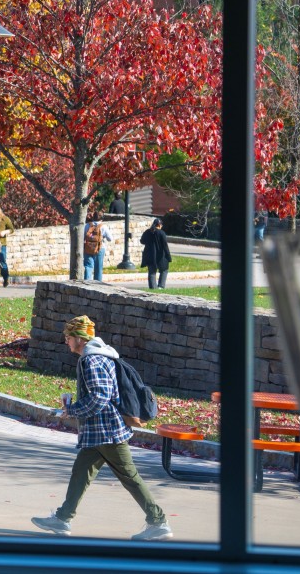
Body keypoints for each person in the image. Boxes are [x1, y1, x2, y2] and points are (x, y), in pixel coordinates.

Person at [31, 315, 173, 542]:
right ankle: (62, 519)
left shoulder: (91, 360)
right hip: (99, 434)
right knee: (81, 473)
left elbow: (100, 397)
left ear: (79, 338)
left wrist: (74, 410)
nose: (66, 342)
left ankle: (158, 522)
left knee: (130, 476)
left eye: (68, 337)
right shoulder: (99, 357)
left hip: (107, 432)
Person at [139, 217, 172, 289]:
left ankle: (153, 287)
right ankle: (161, 286)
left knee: (152, 272)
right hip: (160, 255)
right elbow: (165, 246)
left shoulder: (147, 232)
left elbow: (142, 241)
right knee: (164, 270)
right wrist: (168, 256)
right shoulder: (161, 233)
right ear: (159, 225)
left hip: (150, 254)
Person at [83, 210, 113, 281]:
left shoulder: (87, 225)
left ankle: (87, 283)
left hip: (88, 247)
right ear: (102, 218)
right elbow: (110, 239)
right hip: (100, 248)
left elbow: (83, 236)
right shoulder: (103, 227)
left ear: (93, 217)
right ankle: (98, 285)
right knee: (98, 267)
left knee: (88, 266)